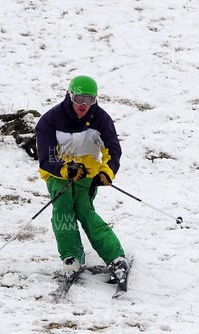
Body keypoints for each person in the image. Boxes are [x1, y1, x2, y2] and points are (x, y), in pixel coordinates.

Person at [35, 75, 128, 282]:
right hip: (57, 174)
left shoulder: (101, 119)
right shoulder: (50, 120)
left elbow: (112, 149)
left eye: (89, 99)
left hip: (88, 173)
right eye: (79, 99)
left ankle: (115, 257)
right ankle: (72, 256)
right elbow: (46, 158)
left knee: (84, 209)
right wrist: (65, 169)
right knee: (63, 207)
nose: (83, 105)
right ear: (70, 96)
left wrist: (107, 172)